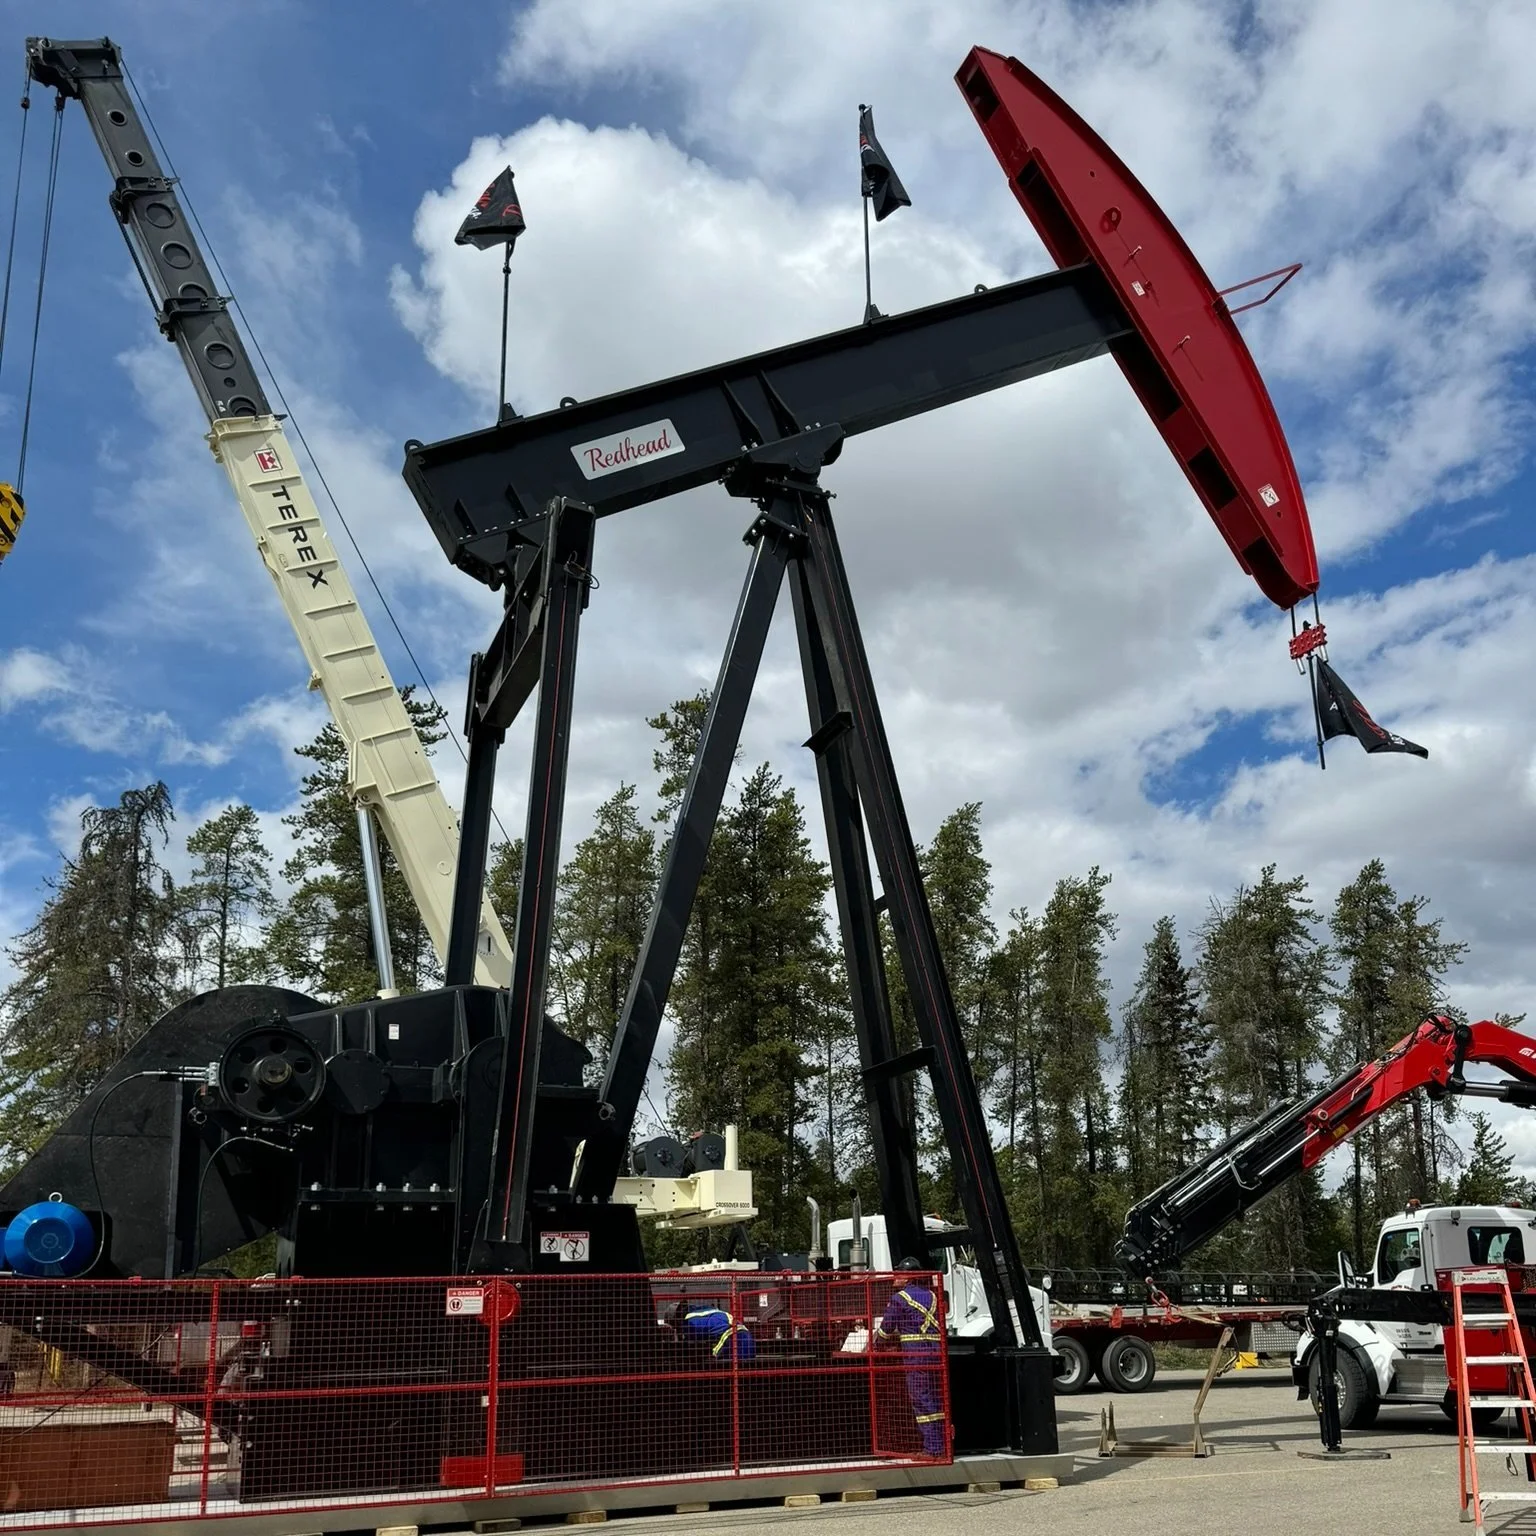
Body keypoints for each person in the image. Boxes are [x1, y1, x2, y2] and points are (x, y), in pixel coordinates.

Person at [875, 1259, 946, 1456]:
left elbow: (886, 1329)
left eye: (899, 1273)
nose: (895, 1277)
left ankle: (933, 1449)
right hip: (935, 1352)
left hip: (916, 1355)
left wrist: (876, 1343)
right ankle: (941, 1444)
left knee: (921, 1399)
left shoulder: (901, 1298)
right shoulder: (932, 1296)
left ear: (909, 1276)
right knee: (936, 1399)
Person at [681, 1303, 756, 1362]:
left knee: (716, 1363)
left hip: (729, 1337)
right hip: (746, 1334)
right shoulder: (712, 1311)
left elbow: (692, 1343)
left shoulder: (689, 1320)